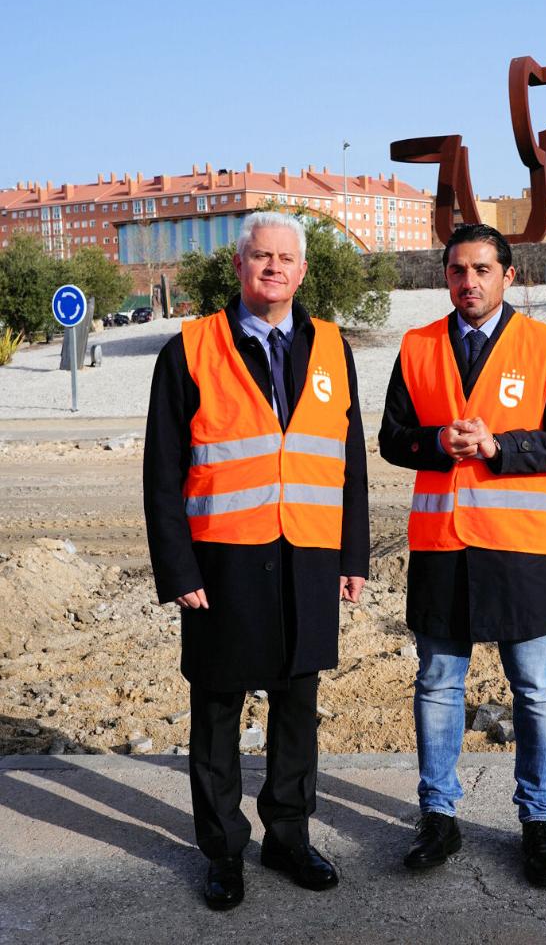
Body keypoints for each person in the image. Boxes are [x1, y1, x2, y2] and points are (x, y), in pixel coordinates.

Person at [144, 211, 369, 910]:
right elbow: (161, 473)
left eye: (285, 258)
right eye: (261, 256)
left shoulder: (332, 346)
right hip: (222, 564)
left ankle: (289, 837)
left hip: (308, 556)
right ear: (239, 266)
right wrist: (179, 571)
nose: (273, 267)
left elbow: (349, 463)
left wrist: (352, 554)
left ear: (302, 271)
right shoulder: (189, 350)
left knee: (297, 704)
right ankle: (223, 851)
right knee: (217, 706)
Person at [379, 223, 546, 887]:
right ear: (445, 276)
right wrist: (436, 443)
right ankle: (439, 818)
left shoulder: (544, 344)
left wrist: (502, 447)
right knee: (439, 684)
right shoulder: (416, 346)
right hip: (443, 547)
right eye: (456, 270)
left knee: (535, 689)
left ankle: (538, 822)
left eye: (481, 269)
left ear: (508, 276)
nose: (467, 281)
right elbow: (391, 438)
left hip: (519, 549)